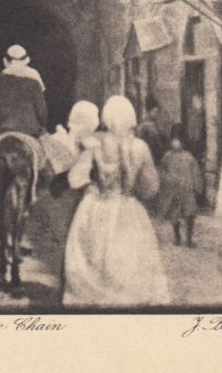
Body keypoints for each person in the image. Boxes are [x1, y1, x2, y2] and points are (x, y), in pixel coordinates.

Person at [63, 95, 170, 308]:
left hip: (96, 208)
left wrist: (92, 185)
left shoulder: (93, 142)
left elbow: (74, 180)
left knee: (92, 262)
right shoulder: (140, 147)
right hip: (128, 209)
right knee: (129, 263)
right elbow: (151, 189)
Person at [0, 44, 48, 137]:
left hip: (1, 132)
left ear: (5, 61)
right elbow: (42, 115)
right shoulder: (34, 83)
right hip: (32, 132)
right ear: (26, 61)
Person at [158, 124, 203, 248]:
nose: (176, 144)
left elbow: (196, 173)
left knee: (190, 213)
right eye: (174, 141)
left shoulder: (188, 157)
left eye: (178, 141)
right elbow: (162, 170)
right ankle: (177, 237)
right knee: (175, 214)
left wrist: (197, 187)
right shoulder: (167, 157)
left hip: (187, 188)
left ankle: (189, 239)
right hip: (174, 189)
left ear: (183, 142)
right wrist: (165, 182)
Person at [135, 93, 170, 169]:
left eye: (157, 112)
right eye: (155, 112)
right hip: (151, 158)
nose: (156, 114)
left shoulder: (145, 124)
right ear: (149, 112)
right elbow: (157, 145)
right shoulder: (149, 126)